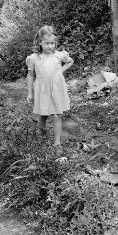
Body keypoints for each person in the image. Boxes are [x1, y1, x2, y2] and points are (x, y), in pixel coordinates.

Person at [26, 25, 74, 156]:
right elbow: (30, 75)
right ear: (40, 42)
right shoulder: (34, 58)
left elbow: (70, 61)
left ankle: (57, 143)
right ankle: (41, 137)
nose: (50, 46)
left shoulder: (58, 55)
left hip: (56, 89)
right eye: (47, 43)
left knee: (57, 115)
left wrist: (60, 72)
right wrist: (30, 93)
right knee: (42, 115)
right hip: (42, 89)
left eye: (52, 43)